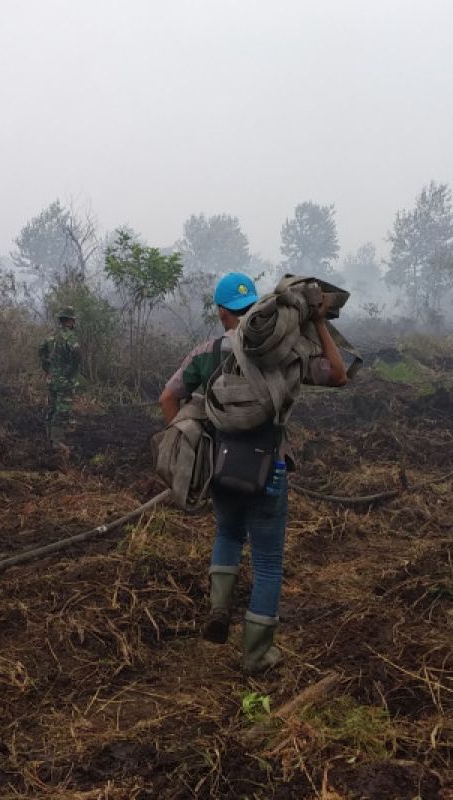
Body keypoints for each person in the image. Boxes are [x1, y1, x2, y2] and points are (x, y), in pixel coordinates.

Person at [159, 272, 348, 674]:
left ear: (222, 311)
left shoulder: (206, 352)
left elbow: (168, 396)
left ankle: (218, 609)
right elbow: (337, 374)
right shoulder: (284, 352)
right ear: (257, 307)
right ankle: (257, 654)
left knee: (227, 534)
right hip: (270, 470)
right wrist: (317, 322)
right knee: (266, 564)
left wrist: (191, 445)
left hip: (221, 469)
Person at [38, 306, 80, 448]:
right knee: (62, 409)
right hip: (64, 381)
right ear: (70, 320)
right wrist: (70, 373)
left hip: (52, 379)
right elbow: (77, 355)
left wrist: (47, 369)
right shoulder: (70, 336)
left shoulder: (52, 335)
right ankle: (57, 442)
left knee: (52, 407)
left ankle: (49, 437)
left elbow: (41, 349)